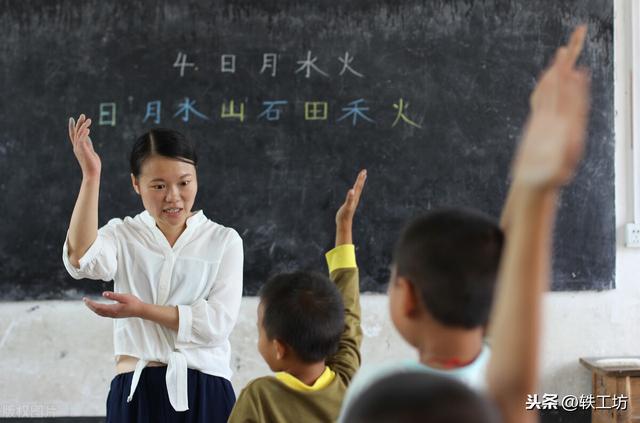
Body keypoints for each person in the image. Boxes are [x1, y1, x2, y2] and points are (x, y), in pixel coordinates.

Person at [341, 25, 590, 423]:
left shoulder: (377, 392)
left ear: (406, 296)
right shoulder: (496, 391)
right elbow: (514, 389)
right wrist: (536, 183)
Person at [62, 123, 242, 422]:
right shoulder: (123, 233)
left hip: (205, 390)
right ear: (136, 184)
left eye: (184, 183)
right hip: (135, 390)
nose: (173, 197)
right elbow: (82, 259)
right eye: (158, 186)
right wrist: (91, 177)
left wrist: (143, 310)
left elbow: (216, 325)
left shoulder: (224, 240)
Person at [228, 170, 366, 423]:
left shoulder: (260, 398)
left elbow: (347, 321)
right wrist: (344, 228)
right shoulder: (347, 385)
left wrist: (343, 228)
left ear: (279, 347)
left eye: (260, 329)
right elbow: (349, 318)